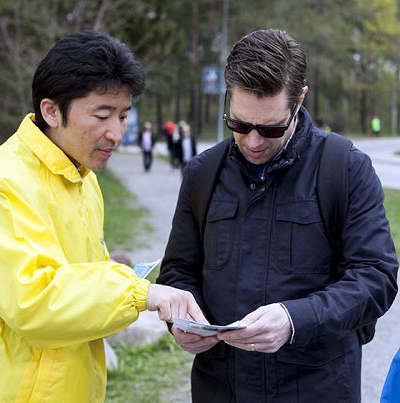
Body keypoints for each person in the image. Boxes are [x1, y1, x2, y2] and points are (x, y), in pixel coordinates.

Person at [0, 31, 207, 402]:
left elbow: (79, 289)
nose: (116, 133)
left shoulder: (84, 180)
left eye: (124, 116)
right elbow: (35, 302)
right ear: (51, 111)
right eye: (102, 116)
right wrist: (140, 292)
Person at [157, 29, 398, 402]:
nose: (253, 141)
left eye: (270, 128)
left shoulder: (345, 168)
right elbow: (178, 271)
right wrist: (179, 319)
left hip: (318, 389)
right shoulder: (203, 173)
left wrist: (294, 320)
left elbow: (376, 277)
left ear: (299, 99)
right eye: (239, 124)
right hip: (221, 388)